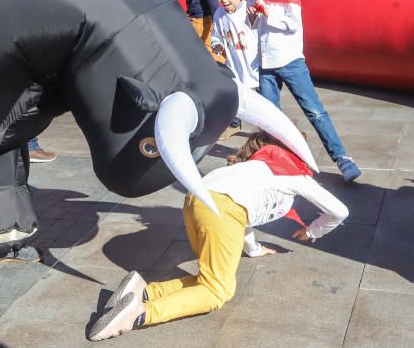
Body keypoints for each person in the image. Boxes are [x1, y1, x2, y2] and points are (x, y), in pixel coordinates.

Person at [90, 131, 347, 341]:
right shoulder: (293, 173)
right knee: (217, 292)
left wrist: (254, 249)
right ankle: (140, 313)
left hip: (196, 202)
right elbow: (339, 210)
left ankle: (144, 290)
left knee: (213, 281)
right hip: (222, 211)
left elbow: (244, 214)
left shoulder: (251, 166)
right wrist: (313, 230)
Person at [247, 0, 360, 182]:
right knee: (270, 116)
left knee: (314, 111)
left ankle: (341, 157)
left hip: (290, 61)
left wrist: (268, 13)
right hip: (267, 63)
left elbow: (293, 25)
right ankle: (275, 157)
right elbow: (257, 28)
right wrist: (253, 18)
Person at [210, 0, 258, 91]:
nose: (224, 0)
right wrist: (217, 45)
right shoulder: (219, 14)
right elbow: (216, 36)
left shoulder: (248, 10)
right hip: (235, 73)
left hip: (255, 73)